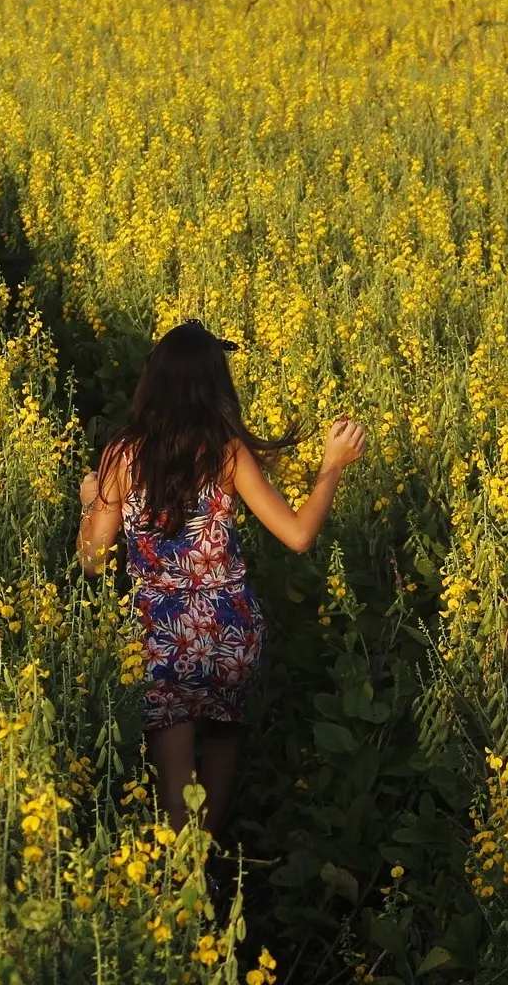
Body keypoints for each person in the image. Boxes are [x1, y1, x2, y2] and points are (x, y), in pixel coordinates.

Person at [76, 320, 367, 833]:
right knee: (224, 740)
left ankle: (182, 867)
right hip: (229, 630)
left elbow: (92, 560)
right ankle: (208, 855)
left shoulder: (121, 456)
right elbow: (299, 535)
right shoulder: (227, 454)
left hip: (160, 634)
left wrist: (89, 501)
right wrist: (333, 465)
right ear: (215, 386)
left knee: (174, 778)